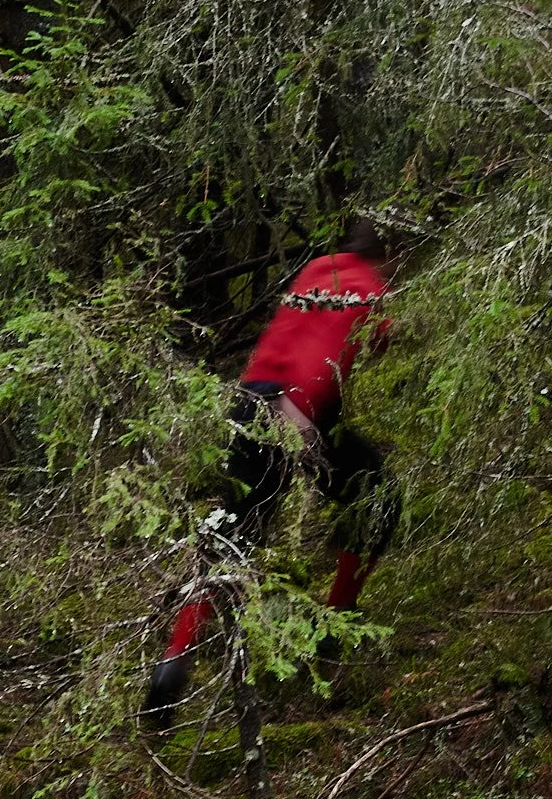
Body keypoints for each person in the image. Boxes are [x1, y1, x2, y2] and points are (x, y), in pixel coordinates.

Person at [143, 216, 401, 731]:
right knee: (377, 495)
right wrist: (297, 413)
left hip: (248, 402)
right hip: (292, 412)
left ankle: (174, 659)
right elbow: (336, 349)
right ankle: (336, 626)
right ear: (384, 256)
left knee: (234, 531)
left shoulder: (317, 271)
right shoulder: (369, 286)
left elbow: (290, 338)